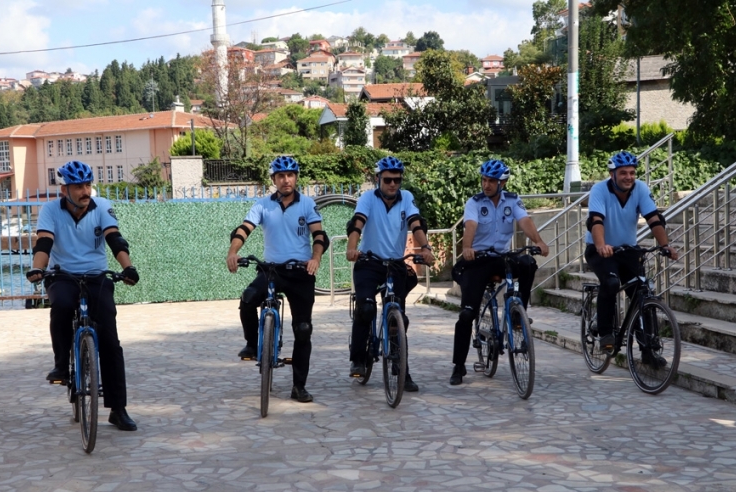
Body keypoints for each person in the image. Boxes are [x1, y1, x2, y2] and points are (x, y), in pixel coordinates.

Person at [26, 160, 140, 431]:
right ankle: (61, 366)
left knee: (111, 342)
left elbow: (115, 239)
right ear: (64, 189)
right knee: (63, 305)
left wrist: (128, 267)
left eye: (88, 185)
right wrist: (37, 268)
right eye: (78, 186)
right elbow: (44, 242)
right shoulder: (51, 210)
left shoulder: (101, 207)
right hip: (62, 275)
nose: (85, 191)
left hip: (96, 276)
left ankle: (118, 409)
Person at [226, 156, 329, 403]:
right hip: (271, 270)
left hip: (301, 272)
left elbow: (320, 235)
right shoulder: (262, 205)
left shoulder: (307, 204)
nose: (286, 180)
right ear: (274, 179)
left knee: (303, 329)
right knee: (249, 298)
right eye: (281, 176)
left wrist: (315, 258)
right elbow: (244, 229)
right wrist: (233, 251)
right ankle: (252, 343)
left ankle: (298, 387)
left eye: (291, 175)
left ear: (296, 177)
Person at [449, 159, 549, 386]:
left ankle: (517, 313)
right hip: (479, 259)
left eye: (491, 181)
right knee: (467, 314)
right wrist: (467, 247)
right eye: (484, 180)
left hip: (502, 257)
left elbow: (525, 221)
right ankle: (458, 366)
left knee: (528, 263)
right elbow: (471, 225)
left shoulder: (512, 200)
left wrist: (539, 241)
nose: (486, 185)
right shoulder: (474, 203)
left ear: (502, 182)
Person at [345, 156, 435, 392]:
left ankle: (401, 370)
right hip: (369, 263)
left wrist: (425, 247)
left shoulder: (406, 198)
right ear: (378, 179)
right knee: (365, 308)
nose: (392, 184)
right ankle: (358, 359)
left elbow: (415, 223)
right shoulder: (368, 198)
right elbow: (357, 223)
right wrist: (351, 247)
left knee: (398, 318)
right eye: (387, 180)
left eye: (397, 180)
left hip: (395, 265)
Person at [584, 150, 678, 360]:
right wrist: (601, 245)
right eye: (623, 173)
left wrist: (666, 245)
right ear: (612, 174)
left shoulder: (640, 189)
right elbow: (595, 221)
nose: (628, 177)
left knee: (643, 293)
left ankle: (648, 350)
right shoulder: (599, 190)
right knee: (610, 282)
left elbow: (653, 218)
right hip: (600, 249)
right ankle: (606, 333)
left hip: (628, 249)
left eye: (632, 173)